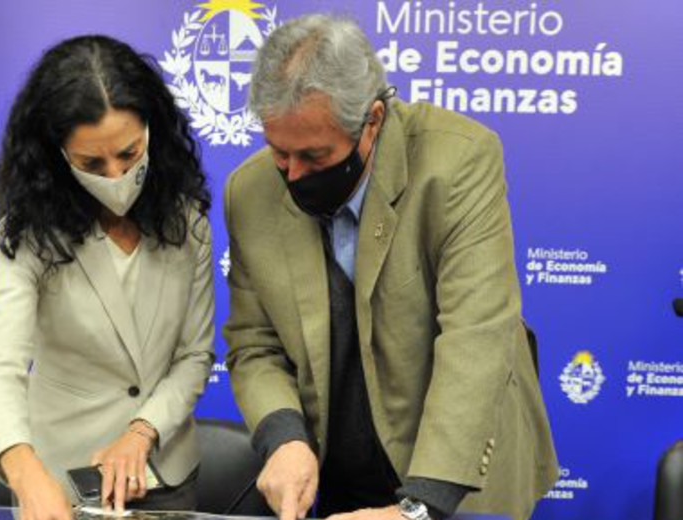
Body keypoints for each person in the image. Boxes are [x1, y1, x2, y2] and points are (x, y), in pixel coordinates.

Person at [223, 15, 558, 520]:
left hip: (453, 478)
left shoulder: (458, 161)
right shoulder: (249, 192)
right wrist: (284, 436)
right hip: (338, 476)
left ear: (373, 120)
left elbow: (477, 333)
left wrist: (421, 505)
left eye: (314, 156)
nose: (293, 175)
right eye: (279, 153)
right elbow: (255, 344)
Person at [0, 35, 215, 519]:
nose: (115, 175)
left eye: (129, 153)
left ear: (151, 131)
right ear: (57, 155)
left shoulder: (187, 222)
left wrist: (142, 431)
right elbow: (1, 364)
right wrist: (24, 472)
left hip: (164, 470)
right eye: (91, 163)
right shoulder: (30, 234)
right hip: (58, 477)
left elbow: (194, 355)